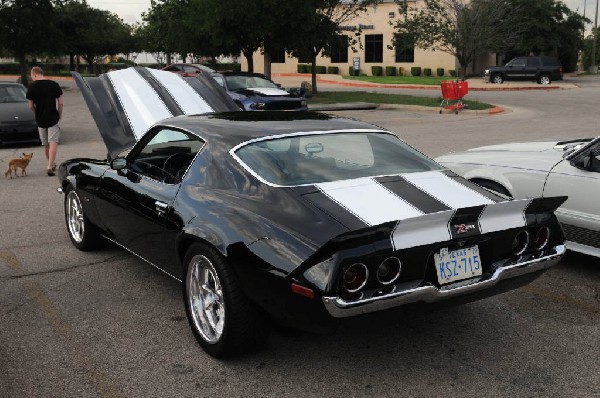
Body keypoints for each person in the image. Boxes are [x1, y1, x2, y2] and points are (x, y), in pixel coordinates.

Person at [26, 66, 63, 176]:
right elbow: (60, 102)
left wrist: (37, 112)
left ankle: (50, 164)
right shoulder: (53, 85)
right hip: (52, 117)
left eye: (31, 76)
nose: (32, 78)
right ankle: (49, 166)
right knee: (53, 142)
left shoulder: (32, 87)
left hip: (40, 119)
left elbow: (30, 106)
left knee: (46, 143)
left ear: (35, 74)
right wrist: (59, 115)